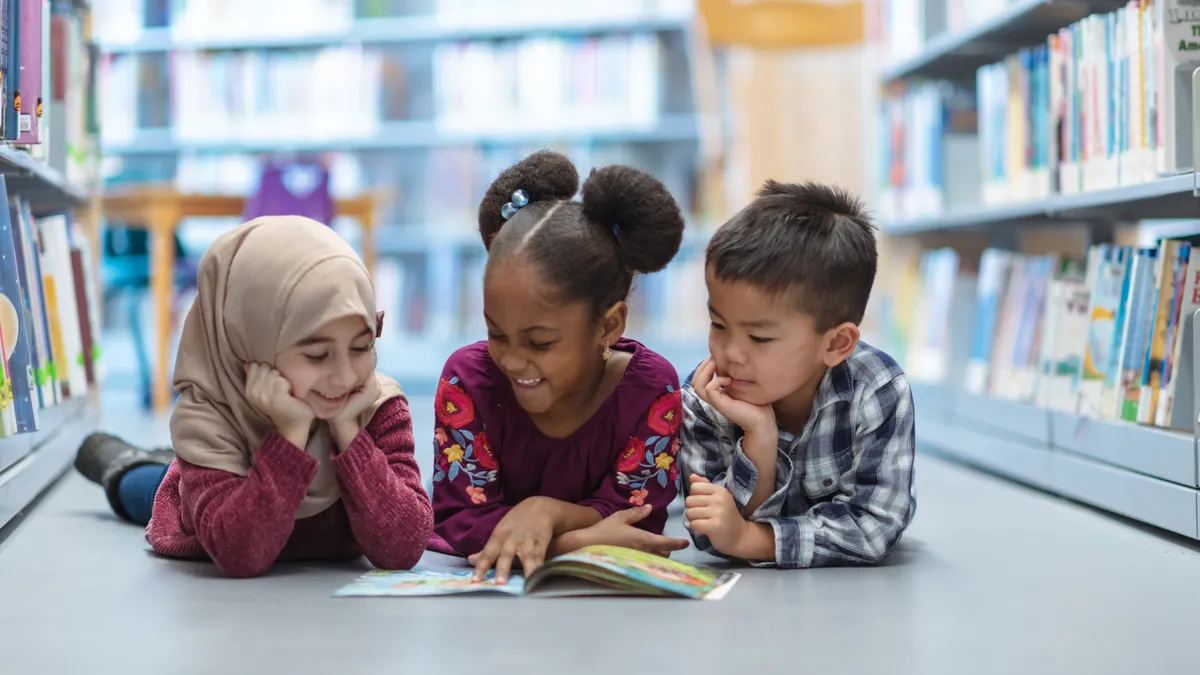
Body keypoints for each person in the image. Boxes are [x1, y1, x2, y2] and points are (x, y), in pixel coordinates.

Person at [73, 216, 433, 578]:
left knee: (178, 468)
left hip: (256, 473)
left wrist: (348, 432)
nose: (343, 377)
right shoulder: (209, 417)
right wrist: (291, 435)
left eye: (361, 346)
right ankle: (121, 461)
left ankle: (168, 461)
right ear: (251, 340)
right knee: (146, 487)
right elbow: (241, 554)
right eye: (316, 355)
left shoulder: (375, 405)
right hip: (203, 513)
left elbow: (403, 547)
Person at [428, 149, 691, 584]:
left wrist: (544, 511)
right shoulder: (467, 381)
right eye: (497, 333)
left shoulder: (652, 390)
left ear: (608, 326)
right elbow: (460, 521)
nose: (512, 359)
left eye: (540, 342)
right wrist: (572, 542)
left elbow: (636, 523)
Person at [678, 180, 916, 569]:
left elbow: (874, 528)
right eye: (718, 324)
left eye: (759, 337)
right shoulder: (704, 396)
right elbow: (710, 533)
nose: (730, 353)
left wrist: (751, 539)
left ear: (837, 343)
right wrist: (760, 437)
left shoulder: (878, 389)